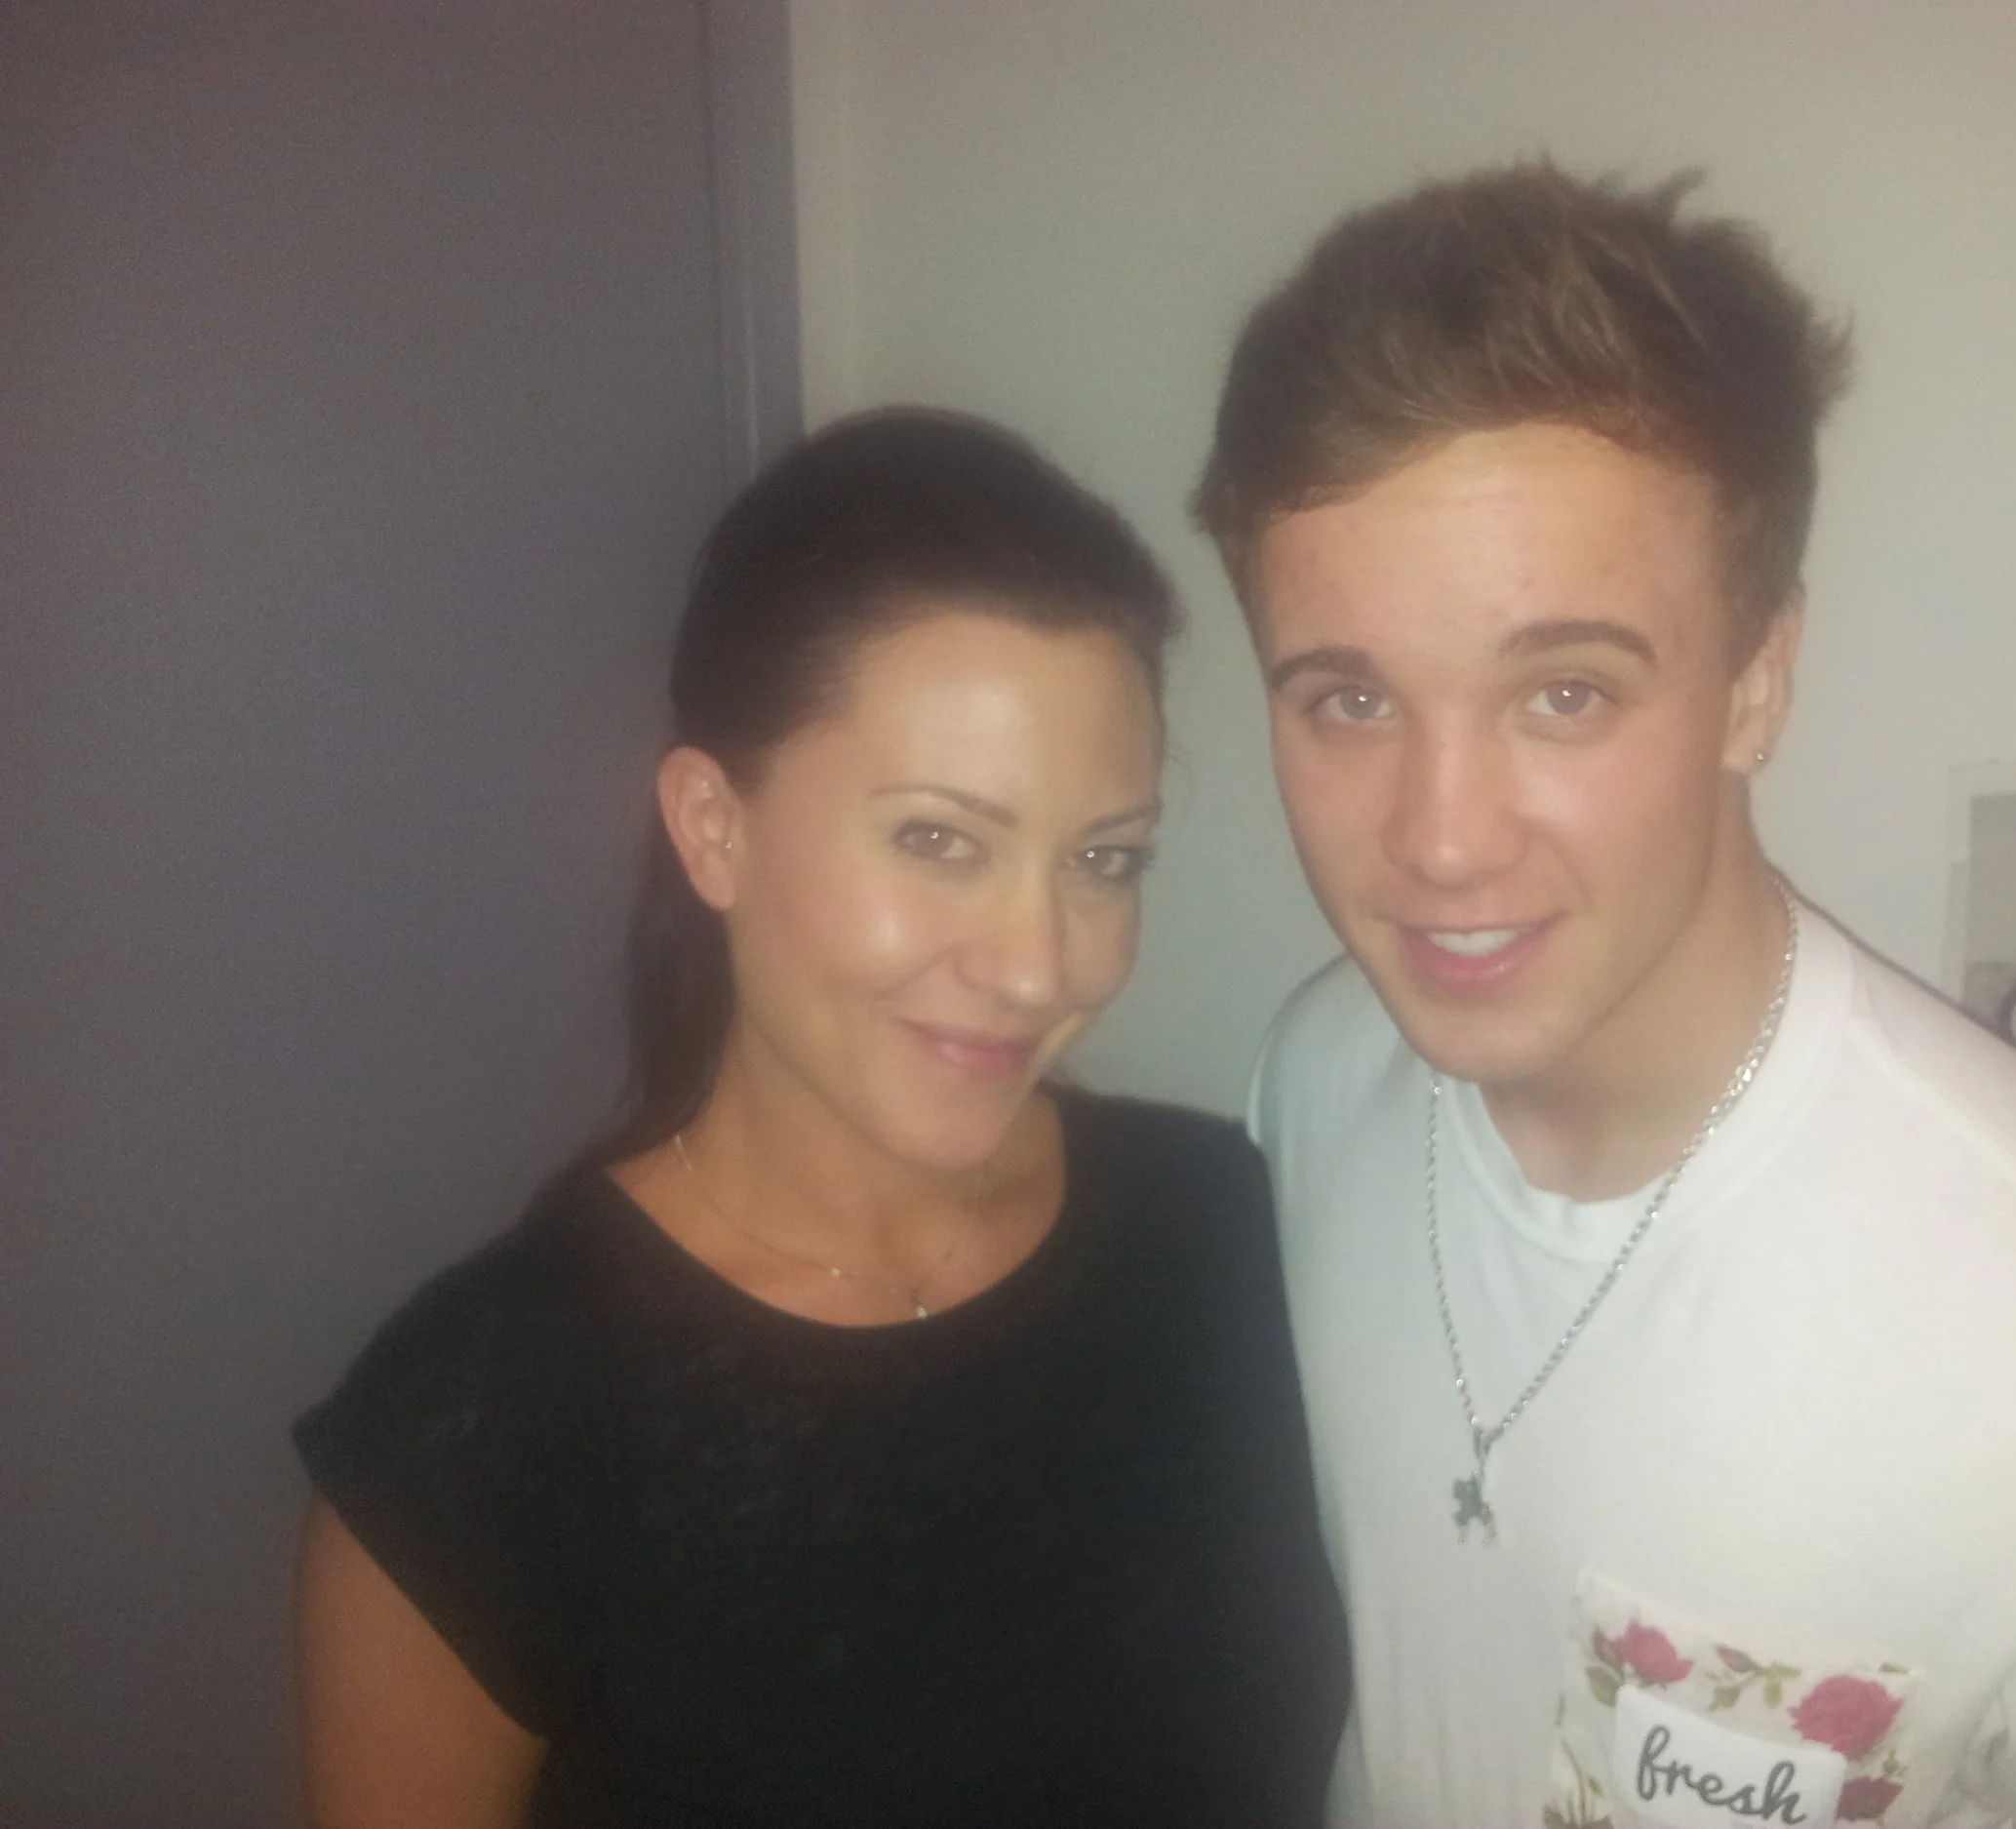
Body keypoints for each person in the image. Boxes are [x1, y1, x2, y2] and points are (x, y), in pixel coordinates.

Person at [1193, 165, 2016, 1827]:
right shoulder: (1317, 1078)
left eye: (1564, 692)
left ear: (1757, 680)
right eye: (1348, 698)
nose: (1440, 838)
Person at [294, 411, 1348, 1828]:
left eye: (1104, 857)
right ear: (714, 826)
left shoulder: (1218, 1222)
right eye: (938, 838)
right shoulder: (476, 1433)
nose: (1041, 963)